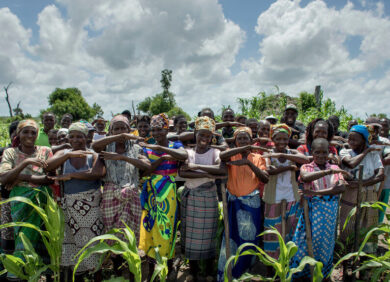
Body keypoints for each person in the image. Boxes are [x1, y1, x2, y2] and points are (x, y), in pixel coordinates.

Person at [46, 122, 105, 278]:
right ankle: (79, 275)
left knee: (92, 242)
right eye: (71, 136)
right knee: (73, 243)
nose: (76, 140)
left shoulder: (93, 154)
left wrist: (71, 175)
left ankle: (96, 275)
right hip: (69, 206)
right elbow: (47, 166)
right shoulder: (63, 153)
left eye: (79, 136)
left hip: (90, 206)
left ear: (86, 137)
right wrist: (67, 154)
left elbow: (97, 173)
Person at [0, 120, 53, 279]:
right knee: (17, 236)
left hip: (41, 200)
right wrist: (27, 162)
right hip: (17, 201)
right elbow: (3, 178)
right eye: (26, 132)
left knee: (37, 238)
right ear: (18, 134)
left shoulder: (45, 151)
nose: (30, 135)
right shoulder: (11, 153)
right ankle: (15, 271)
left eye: (33, 132)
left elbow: (50, 178)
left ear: (37, 135)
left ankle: (22, 273)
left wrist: (18, 177)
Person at [137, 113, 188, 279]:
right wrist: (161, 159)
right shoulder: (147, 147)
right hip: (152, 191)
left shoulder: (176, 144)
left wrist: (162, 150)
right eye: (154, 130)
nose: (156, 133)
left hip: (168, 193)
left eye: (160, 129)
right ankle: (153, 266)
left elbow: (183, 155)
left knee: (167, 226)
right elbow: (145, 171)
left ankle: (167, 263)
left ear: (166, 130)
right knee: (151, 227)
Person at [290, 138, 348, 279]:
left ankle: (321, 273)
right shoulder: (307, 167)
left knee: (326, 244)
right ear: (312, 153)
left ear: (329, 152)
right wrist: (327, 173)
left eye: (324, 152)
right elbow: (306, 177)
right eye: (317, 152)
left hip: (329, 213)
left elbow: (340, 187)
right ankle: (304, 272)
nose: (321, 156)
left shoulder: (334, 168)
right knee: (308, 239)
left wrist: (316, 193)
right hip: (312, 212)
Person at [217, 127, 269, 281]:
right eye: (239, 139)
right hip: (233, 203)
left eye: (246, 138)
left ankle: (245, 272)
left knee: (249, 239)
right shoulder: (232, 155)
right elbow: (222, 155)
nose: (243, 141)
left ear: (252, 140)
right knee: (231, 238)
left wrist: (248, 162)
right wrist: (239, 150)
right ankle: (229, 274)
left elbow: (265, 178)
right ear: (235, 141)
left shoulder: (258, 158)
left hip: (250, 204)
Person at [179, 116, 226, 281]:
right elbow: (182, 172)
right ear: (195, 134)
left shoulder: (215, 152)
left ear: (212, 137)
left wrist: (197, 167)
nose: (204, 139)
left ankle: (207, 272)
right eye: (201, 135)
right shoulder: (188, 152)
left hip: (208, 199)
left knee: (208, 236)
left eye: (208, 136)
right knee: (190, 236)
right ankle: (193, 271)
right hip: (191, 197)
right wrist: (207, 173)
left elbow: (222, 171)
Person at [92, 115, 148, 242]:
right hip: (110, 195)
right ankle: (114, 259)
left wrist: (123, 157)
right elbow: (94, 146)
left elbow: (146, 166)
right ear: (110, 131)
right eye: (116, 129)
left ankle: (128, 260)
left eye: (124, 129)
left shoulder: (136, 148)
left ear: (129, 130)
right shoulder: (106, 147)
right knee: (110, 230)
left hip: (131, 194)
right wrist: (119, 137)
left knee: (130, 232)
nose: (120, 132)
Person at [262, 124, 309, 259]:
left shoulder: (291, 153)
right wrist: (288, 168)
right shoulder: (268, 153)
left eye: (285, 139)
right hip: (273, 197)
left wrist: (284, 155)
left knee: (291, 230)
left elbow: (305, 160)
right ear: (273, 139)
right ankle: (272, 263)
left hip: (291, 196)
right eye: (278, 139)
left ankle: (288, 261)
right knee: (272, 232)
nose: (282, 142)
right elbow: (269, 170)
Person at [339, 125, 385, 254]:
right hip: (350, 193)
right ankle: (346, 256)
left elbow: (380, 175)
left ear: (364, 140)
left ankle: (366, 256)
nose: (351, 142)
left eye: (355, 140)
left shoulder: (374, 155)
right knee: (347, 224)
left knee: (368, 224)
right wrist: (366, 151)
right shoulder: (345, 152)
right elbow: (351, 163)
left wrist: (362, 183)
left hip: (369, 193)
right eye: (350, 139)